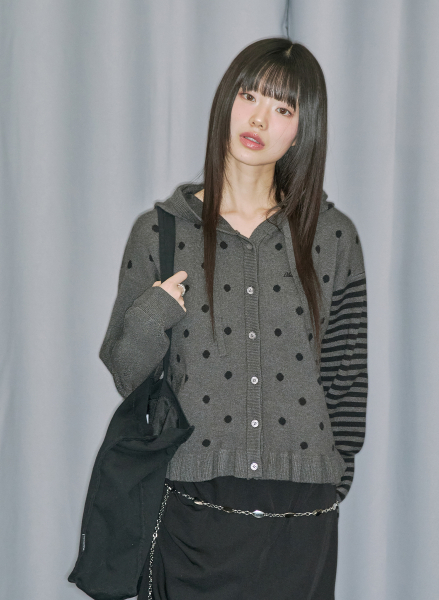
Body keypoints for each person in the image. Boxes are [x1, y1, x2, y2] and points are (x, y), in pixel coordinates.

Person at [99, 37, 368, 600]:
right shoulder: (161, 232)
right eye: (249, 96)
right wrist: (154, 312)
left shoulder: (332, 237)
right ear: (227, 100)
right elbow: (126, 373)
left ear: (303, 129)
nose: (259, 118)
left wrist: (330, 480)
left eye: (283, 108)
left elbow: (346, 377)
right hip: (193, 510)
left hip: (301, 518)